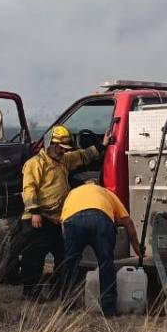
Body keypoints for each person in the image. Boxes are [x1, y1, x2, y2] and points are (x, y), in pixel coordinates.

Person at [18, 125, 105, 299]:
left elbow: (82, 156)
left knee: (64, 256)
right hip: (38, 218)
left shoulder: (64, 160)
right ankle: (31, 293)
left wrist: (102, 146)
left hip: (56, 219)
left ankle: (56, 290)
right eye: (61, 149)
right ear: (52, 144)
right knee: (34, 258)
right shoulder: (35, 164)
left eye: (65, 149)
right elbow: (29, 188)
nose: (63, 152)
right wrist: (34, 211)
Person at [56, 182, 143, 316]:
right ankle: (108, 310)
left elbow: (63, 222)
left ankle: (67, 306)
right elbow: (128, 222)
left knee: (70, 264)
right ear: (97, 185)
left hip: (73, 221)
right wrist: (137, 249)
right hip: (100, 219)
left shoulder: (72, 193)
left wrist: (68, 247)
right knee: (106, 264)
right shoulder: (106, 192)